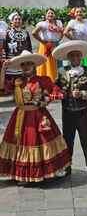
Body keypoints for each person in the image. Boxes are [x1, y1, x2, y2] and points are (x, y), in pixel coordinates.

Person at [0, 51, 70, 183]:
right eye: (23, 64)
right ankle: (23, 173)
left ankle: (49, 170)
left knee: (41, 142)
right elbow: (2, 87)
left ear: (34, 66)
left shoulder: (43, 80)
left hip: (38, 116)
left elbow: (57, 92)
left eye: (29, 64)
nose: (26, 67)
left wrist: (50, 97)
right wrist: (4, 69)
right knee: (21, 143)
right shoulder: (16, 81)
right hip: (20, 117)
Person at [53, 41, 87, 180]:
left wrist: (83, 95)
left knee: (86, 139)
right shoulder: (62, 71)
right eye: (72, 56)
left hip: (82, 111)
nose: (75, 58)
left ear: (81, 57)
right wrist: (60, 92)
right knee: (68, 139)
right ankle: (67, 167)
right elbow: (55, 87)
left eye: (77, 56)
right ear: (68, 58)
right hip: (67, 110)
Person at [32, 8, 64, 82]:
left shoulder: (58, 23)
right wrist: (43, 42)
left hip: (56, 45)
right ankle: (45, 80)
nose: (50, 14)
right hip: (46, 46)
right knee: (45, 64)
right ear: (45, 15)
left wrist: (58, 40)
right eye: (48, 13)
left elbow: (63, 32)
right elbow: (34, 33)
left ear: (55, 15)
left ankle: (57, 81)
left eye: (52, 13)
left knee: (57, 63)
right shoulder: (42, 24)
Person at [3, 12, 32, 84]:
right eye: (15, 19)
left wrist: (30, 58)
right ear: (11, 21)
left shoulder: (25, 32)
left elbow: (29, 46)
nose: (18, 21)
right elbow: (4, 47)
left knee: (22, 82)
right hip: (11, 59)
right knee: (11, 82)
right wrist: (5, 59)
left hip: (23, 60)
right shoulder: (7, 33)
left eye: (19, 19)